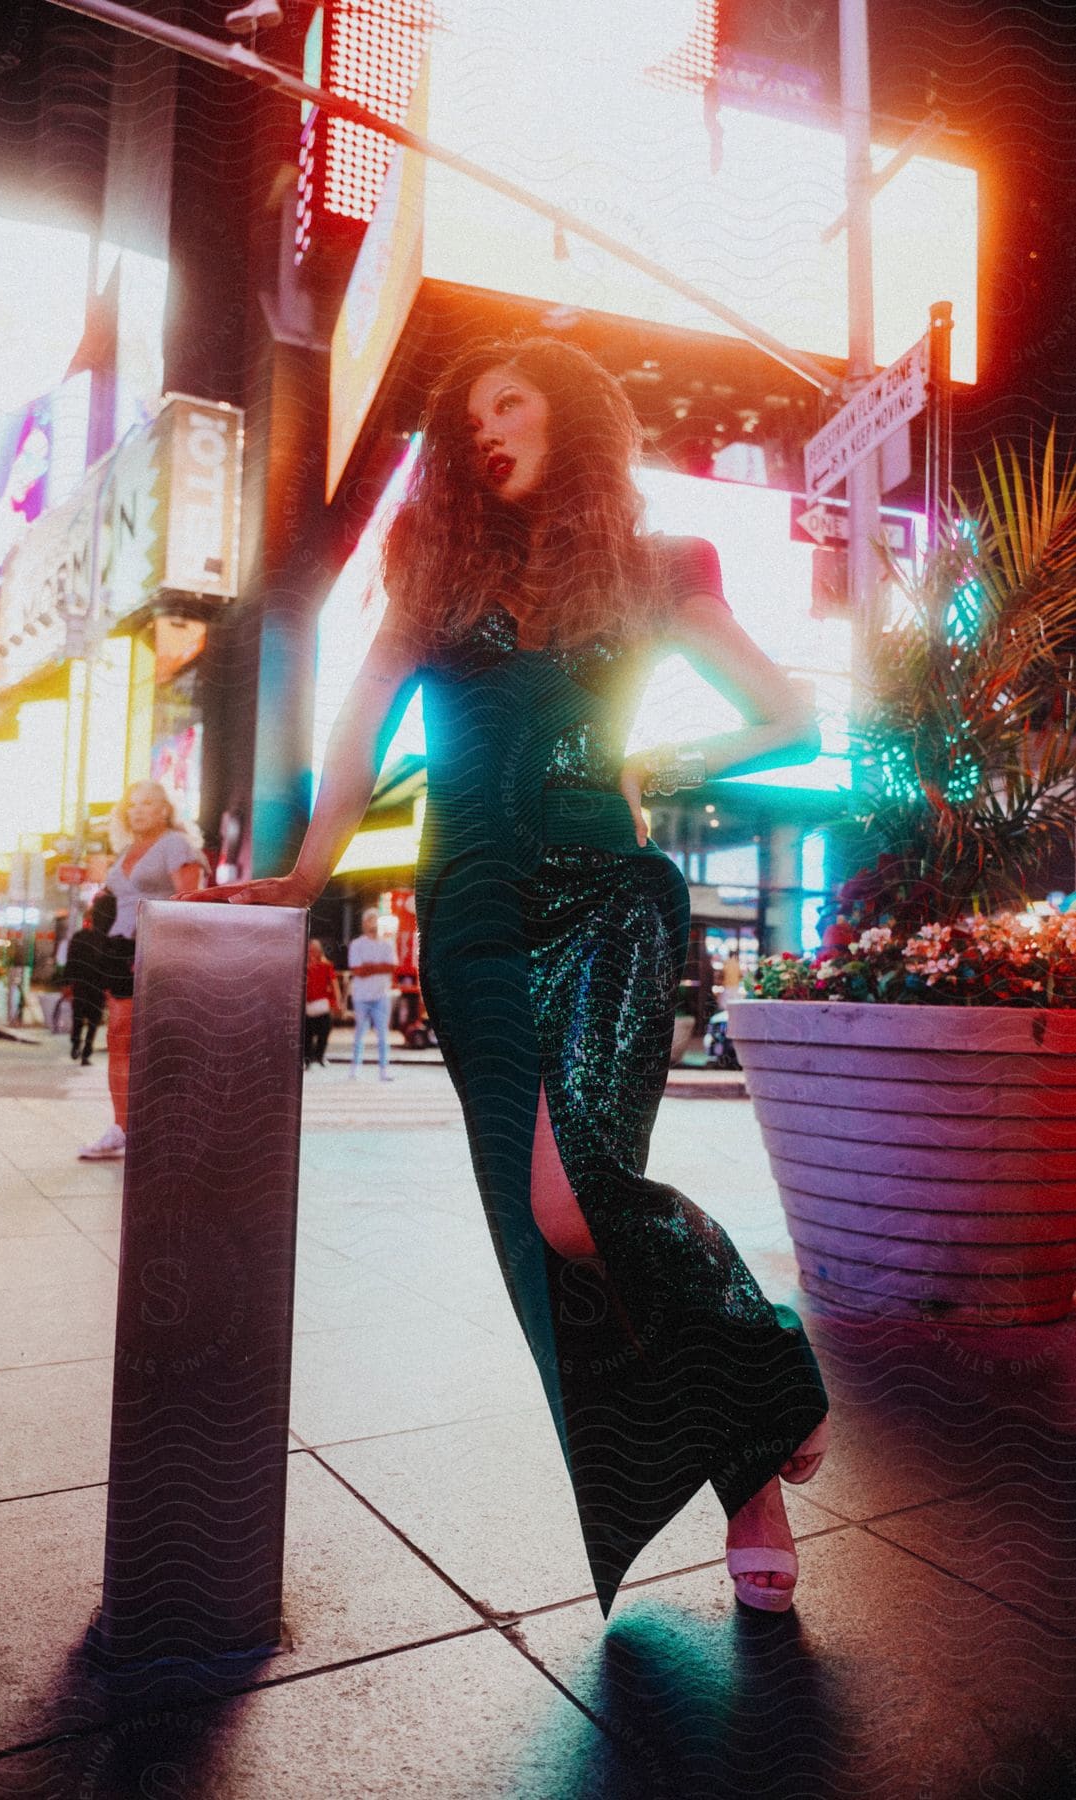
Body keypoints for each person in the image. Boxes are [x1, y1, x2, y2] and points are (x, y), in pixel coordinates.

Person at [184, 336, 829, 1615]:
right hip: (470, 911)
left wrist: (667, 768)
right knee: (550, 1246)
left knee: (572, 1201)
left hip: (606, 900)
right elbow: (357, 730)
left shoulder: (659, 570)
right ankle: (744, 1479)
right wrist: (308, 874)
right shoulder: (430, 572)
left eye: (512, 402)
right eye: (469, 414)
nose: (485, 428)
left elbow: (789, 718)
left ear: (572, 420)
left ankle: (769, 1366)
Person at [79, 781, 207, 1160]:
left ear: (164, 810)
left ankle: (166, 1127)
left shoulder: (175, 845)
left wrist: (162, 948)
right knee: (119, 1035)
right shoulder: (125, 852)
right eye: (131, 804)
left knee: (160, 1041)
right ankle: (121, 1127)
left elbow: (188, 902)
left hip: (157, 946)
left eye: (147, 803)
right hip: (119, 948)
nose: (137, 810)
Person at [63, 891, 116, 1065]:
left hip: (86, 984)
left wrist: (68, 983)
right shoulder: (101, 939)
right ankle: (83, 1049)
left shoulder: (82, 937)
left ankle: (80, 1046)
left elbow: (70, 961)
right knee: (91, 1019)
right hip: (93, 984)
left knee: (82, 1017)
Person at [346, 906, 397, 1081]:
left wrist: (369, 966)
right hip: (361, 995)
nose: (372, 924)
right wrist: (379, 967)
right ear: (364, 924)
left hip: (381, 994)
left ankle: (384, 1069)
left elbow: (391, 967)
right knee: (360, 1032)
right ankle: (355, 1067)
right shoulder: (357, 944)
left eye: (375, 920)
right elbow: (357, 970)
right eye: (369, 920)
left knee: (383, 1034)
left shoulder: (387, 944)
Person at [304, 937, 343, 1068]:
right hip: (308, 1005)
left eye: (314, 950)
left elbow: (334, 984)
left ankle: (319, 1056)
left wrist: (338, 1002)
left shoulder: (326, 966)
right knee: (307, 1035)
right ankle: (307, 1059)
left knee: (323, 1033)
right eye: (310, 951)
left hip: (322, 1004)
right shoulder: (304, 966)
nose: (312, 953)